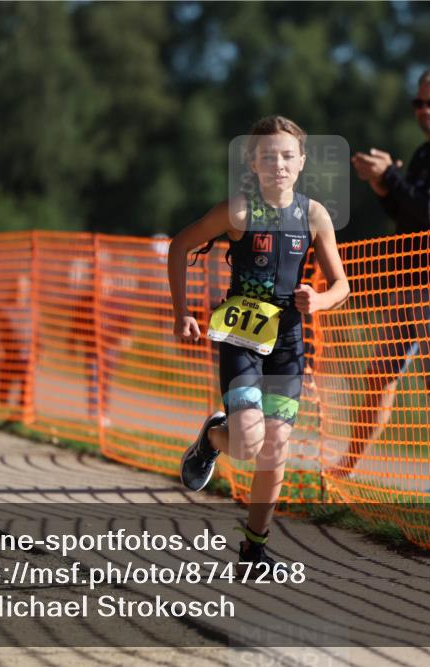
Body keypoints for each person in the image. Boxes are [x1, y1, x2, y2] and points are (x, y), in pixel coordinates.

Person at [168, 115, 350, 568]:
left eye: (287, 156)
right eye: (268, 157)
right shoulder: (237, 211)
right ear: (253, 163)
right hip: (242, 339)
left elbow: (341, 285)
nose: (278, 164)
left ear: (302, 161)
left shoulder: (314, 215)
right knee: (248, 444)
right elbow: (179, 246)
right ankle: (213, 439)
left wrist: (319, 300)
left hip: (288, 342)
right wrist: (182, 312)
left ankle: (254, 547)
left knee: (276, 447)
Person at [338, 68, 430, 496]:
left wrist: (390, 177)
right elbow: (406, 214)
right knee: (379, 374)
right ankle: (347, 466)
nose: (423, 110)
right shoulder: (426, 152)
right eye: (418, 102)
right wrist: (382, 185)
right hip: (409, 280)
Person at [0, 274, 34, 418]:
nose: (20, 291)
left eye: (23, 288)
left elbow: (37, 333)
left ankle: (20, 415)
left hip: (26, 357)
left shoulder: (32, 309)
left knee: (25, 391)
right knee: (3, 390)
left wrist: (39, 352)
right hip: (7, 356)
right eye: (18, 288)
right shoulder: (4, 309)